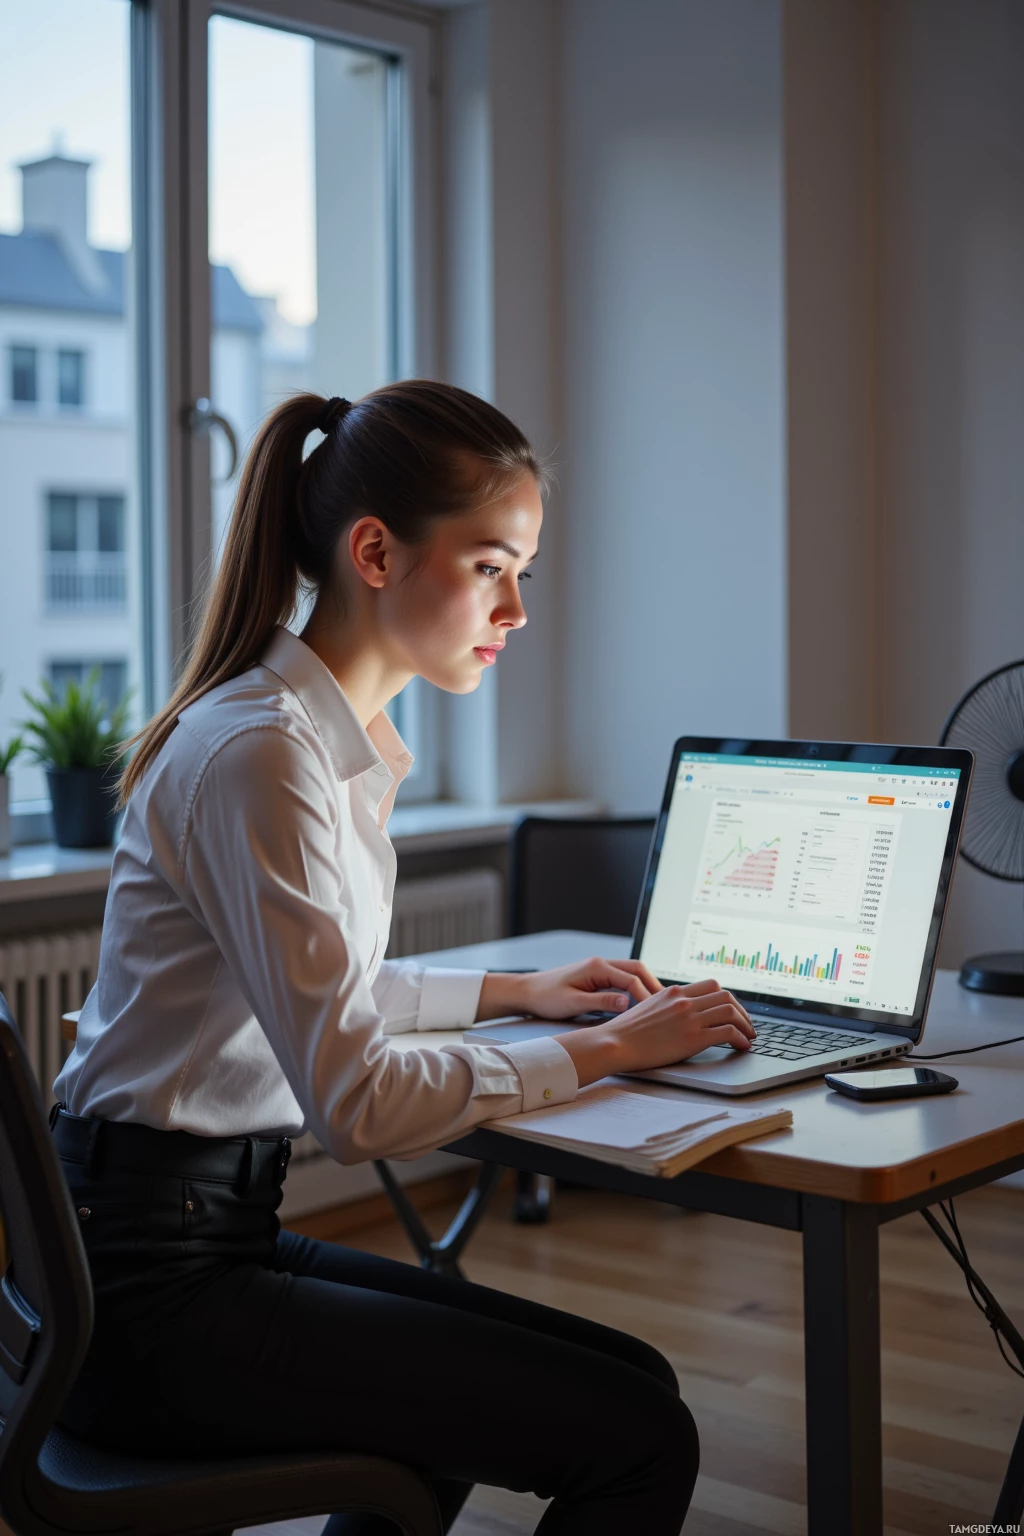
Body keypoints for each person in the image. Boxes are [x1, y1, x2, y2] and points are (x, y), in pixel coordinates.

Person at [52, 382, 756, 1535]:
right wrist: (606, 1051)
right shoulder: (260, 757)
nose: (517, 608)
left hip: (173, 1244)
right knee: (642, 1435)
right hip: (150, 1300)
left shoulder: (313, 745)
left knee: (634, 1382)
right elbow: (358, 1104)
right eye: (491, 565)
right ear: (374, 552)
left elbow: (308, 994)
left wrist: (515, 993)